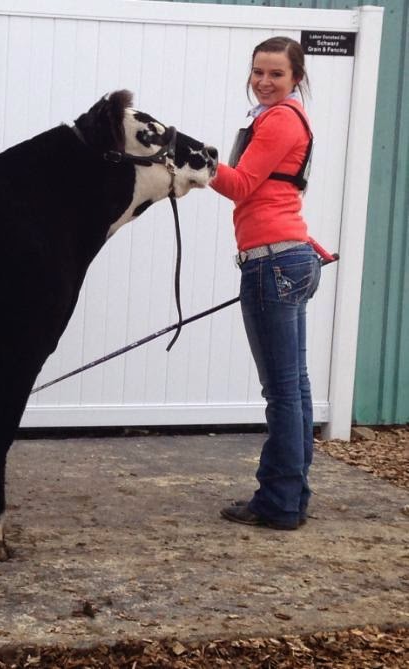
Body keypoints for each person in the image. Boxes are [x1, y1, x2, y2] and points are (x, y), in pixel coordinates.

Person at [212, 36, 322, 531]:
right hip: (290, 257)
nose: (264, 81)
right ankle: (291, 498)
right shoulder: (281, 117)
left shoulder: (278, 119)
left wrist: (193, 159)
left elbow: (238, 185)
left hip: (272, 263)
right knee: (293, 388)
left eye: (276, 73)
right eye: (258, 71)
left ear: (296, 78)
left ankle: (278, 502)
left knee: (282, 391)